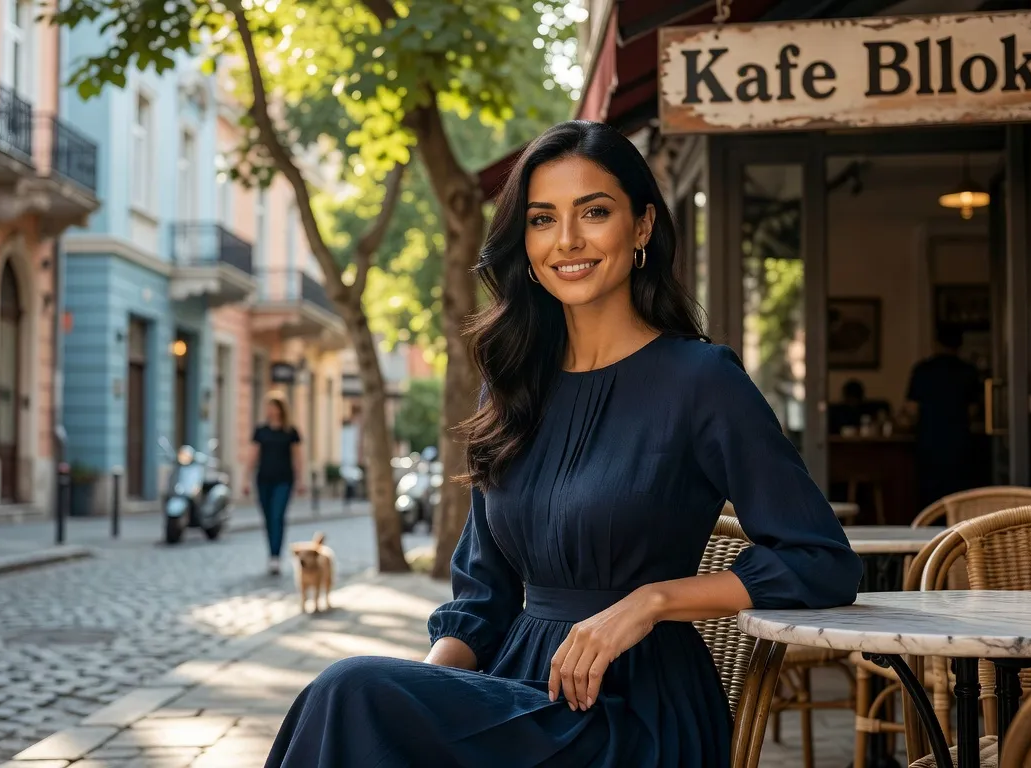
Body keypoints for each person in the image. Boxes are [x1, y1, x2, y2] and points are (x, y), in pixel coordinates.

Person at [262, 120, 862, 767]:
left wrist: (653, 601)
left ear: (642, 226)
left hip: (634, 712)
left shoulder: (702, 381)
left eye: (594, 212)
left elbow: (820, 559)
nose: (567, 240)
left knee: (347, 689)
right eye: (543, 219)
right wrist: (427, 695)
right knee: (356, 703)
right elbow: (482, 597)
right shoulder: (511, 386)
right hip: (516, 695)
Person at [904, 326, 983, 509]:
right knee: (958, 494)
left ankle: (930, 523)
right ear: (960, 345)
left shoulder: (922, 370)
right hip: (959, 441)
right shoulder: (968, 371)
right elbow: (973, 410)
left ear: (935, 344)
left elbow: (912, 409)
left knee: (930, 496)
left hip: (929, 440)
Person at [244, 397, 305, 575]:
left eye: (273, 407)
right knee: (268, 518)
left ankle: (275, 557)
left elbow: (297, 457)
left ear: (281, 409)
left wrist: (300, 480)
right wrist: (245, 479)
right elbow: (252, 455)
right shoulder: (261, 431)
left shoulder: (290, 432)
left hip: (284, 480)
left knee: (277, 516)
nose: (270, 411)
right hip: (263, 479)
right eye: (268, 407)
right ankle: (271, 552)